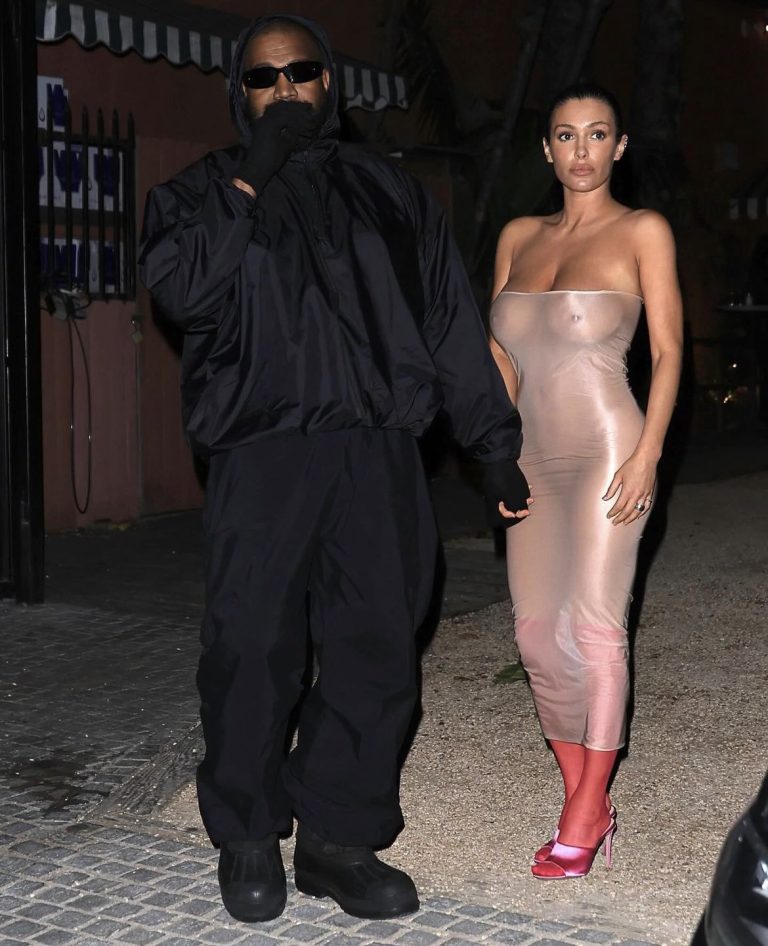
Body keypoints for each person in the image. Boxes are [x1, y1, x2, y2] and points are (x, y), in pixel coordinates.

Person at [139, 13, 530, 924]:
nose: (284, 89)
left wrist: (494, 446)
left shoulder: (390, 193)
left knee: (378, 646)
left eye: (301, 72)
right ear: (239, 95)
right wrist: (252, 173)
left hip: (378, 453)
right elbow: (184, 290)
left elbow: (448, 324)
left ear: (330, 85)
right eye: (263, 78)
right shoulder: (196, 193)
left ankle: (337, 838)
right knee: (248, 648)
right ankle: (247, 832)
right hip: (261, 453)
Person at [489, 83, 683, 880]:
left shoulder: (642, 230)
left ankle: (584, 808)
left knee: (595, 628)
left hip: (610, 448)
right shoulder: (518, 235)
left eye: (598, 134)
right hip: (531, 455)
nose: (581, 150)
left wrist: (649, 454)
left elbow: (668, 351)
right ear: (547, 149)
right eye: (566, 136)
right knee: (537, 633)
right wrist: (495, 451)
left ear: (619, 147)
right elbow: (501, 356)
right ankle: (588, 799)